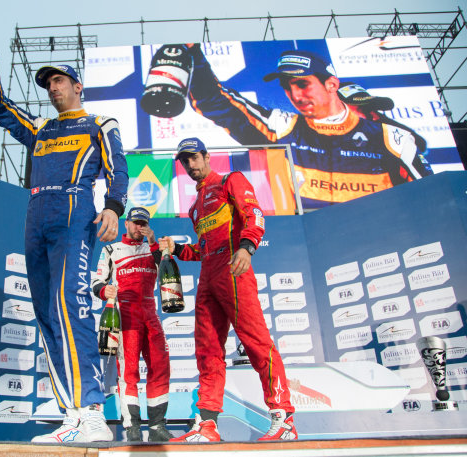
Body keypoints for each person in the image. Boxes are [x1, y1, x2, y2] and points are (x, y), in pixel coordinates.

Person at [0, 30, 128, 443]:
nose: (53, 87)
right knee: (45, 313)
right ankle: (71, 413)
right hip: (35, 212)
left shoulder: (100, 122)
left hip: (74, 211)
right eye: (48, 83)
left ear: (77, 86)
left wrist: (113, 206)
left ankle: (93, 409)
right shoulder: (40, 127)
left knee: (70, 306)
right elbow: (0, 107)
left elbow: (119, 167)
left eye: (59, 80)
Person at [156, 45, 432, 209]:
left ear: (332, 84)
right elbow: (217, 102)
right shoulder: (282, 126)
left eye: (302, 83)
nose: (295, 95)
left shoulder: (392, 137)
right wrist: (194, 54)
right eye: (287, 87)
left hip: (380, 243)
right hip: (308, 245)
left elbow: (430, 198)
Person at [159, 137, 297, 442]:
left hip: (234, 270)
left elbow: (254, 214)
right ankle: (207, 425)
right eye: (185, 161)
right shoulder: (195, 208)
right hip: (209, 276)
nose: (191, 165)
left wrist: (247, 247)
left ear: (207, 157)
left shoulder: (229, 181)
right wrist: (177, 249)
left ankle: (283, 417)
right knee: (207, 351)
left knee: (257, 343)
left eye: (195, 158)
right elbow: (201, 250)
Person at [91, 207, 173, 442]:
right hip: (125, 316)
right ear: (126, 223)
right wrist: (104, 290)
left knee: (160, 367)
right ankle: (132, 426)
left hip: (150, 315)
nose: (139, 227)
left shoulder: (154, 248)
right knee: (129, 373)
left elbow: (166, 266)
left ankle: (157, 426)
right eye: (136, 222)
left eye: (143, 223)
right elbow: (96, 280)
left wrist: (153, 240)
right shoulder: (111, 249)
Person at [337, 82, 428, 153]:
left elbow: (419, 143)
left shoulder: (380, 126)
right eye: (358, 109)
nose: (369, 115)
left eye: (367, 109)